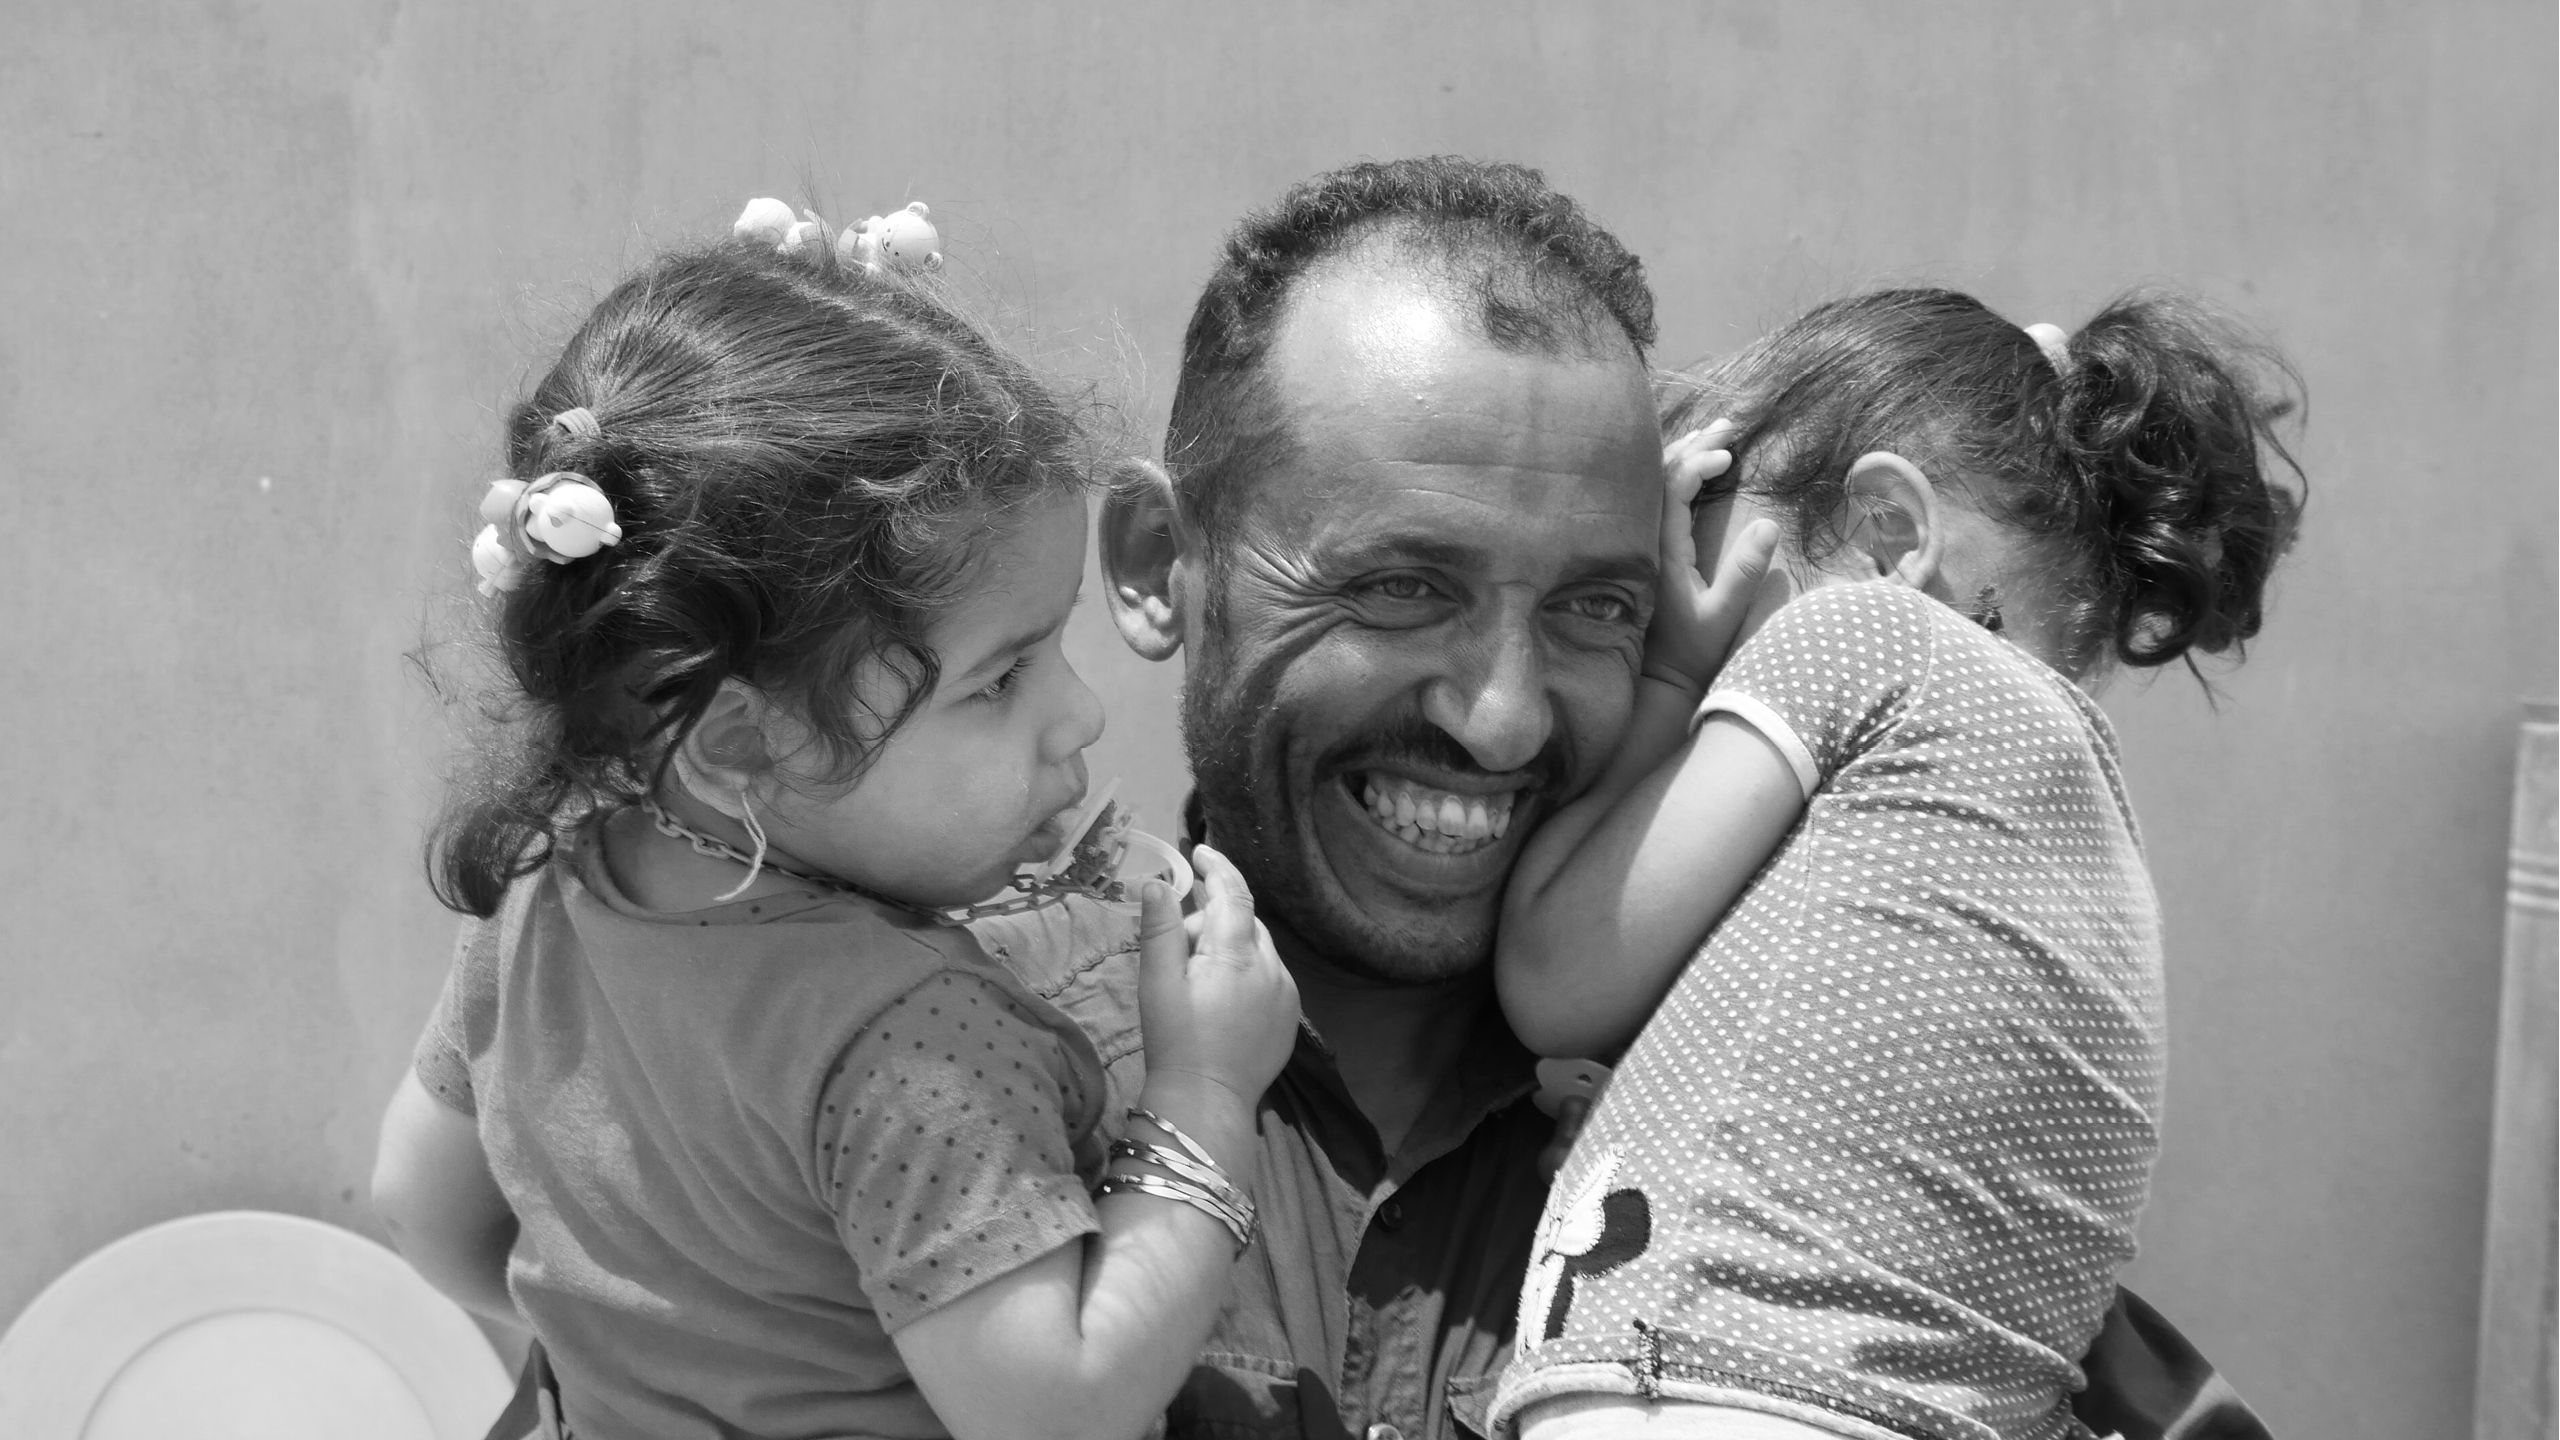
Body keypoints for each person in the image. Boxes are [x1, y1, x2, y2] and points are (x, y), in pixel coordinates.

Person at [1099, 157, 2278, 1440]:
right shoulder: (964, 1081)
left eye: (1602, 606)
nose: (1501, 716)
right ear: (1163, 566)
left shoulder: (1870, 1195)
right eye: (1398, 587)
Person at [371, 202, 1300, 1440]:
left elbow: (423, 1209)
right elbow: (1059, 1410)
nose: (1078, 714)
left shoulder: (547, 891)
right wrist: (1206, 1093)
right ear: (746, 741)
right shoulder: (910, 1032)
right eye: (1002, 677)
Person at [1487, 290, 2301, 1440]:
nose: (1669, 576)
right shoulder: (2068, 832)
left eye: (1705, 508)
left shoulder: (1868, 636)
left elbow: (1553, 969)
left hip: (1719, 1393)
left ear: (1885, 534)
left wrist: (1675, 665)